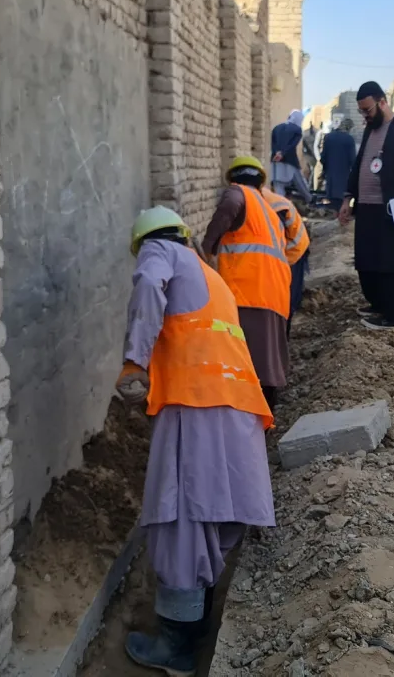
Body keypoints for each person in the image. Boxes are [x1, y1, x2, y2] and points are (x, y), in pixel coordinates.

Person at [116, 206, 276, 674]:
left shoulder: (158, 250)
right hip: (238, 411)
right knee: (214, 520)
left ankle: (177, 648)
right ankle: (198, 628)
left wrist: (134, 361)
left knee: (182, 519)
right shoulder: (208, 275)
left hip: (196, 404)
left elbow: (147, 284)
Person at [201, 158, 292, 412]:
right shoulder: (267, 211)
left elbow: (230, 204)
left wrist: (206, 250)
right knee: (267, 362)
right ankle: (265, 420)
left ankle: (248, 419)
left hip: (247, 290)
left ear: (232, 179)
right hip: (276, 293)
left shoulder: (237, 192)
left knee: (245, 362)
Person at [338, 82, 394, 331]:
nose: (365, 116)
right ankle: (376, 304)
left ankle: (392, 316)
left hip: (392, 209)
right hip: (366, 208)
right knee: (367, 262)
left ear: (382, 102)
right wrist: (347, 200)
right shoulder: (370, 130)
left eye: (367, 110)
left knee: (391, 264)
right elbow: (359, 166)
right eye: (362, 112)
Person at [239, 156, 311, 333]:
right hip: (280, 253)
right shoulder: (253, 200)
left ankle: (282, 340)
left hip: (294, 252)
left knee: (285, 300)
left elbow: (273, 242)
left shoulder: (272, 207)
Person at [270, 110, 310, 201]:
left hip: (275, 161)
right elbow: (292, 145)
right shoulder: (297, 130)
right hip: (290, 161)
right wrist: (282, 153)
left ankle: (280, 209)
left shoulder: (277, 128)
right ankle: (310, 200)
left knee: (278, 187)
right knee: (301, 183)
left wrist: (277, 153)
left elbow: (273, 143)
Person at [320, 118, 357, 212]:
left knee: (332, 200)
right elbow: (352, 160)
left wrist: (325, 170)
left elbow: (323, 157)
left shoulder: (328, 137)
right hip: (344, 175)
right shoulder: (349, 139)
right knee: (341, 202)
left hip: (331, 175)